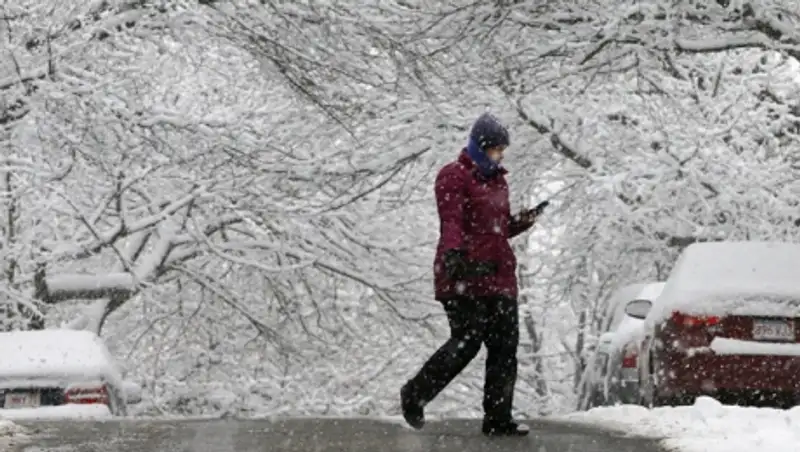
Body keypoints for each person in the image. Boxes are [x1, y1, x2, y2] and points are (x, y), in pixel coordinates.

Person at [400, 112, 541, 437]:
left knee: (505, 346)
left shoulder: (498, 182)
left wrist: (523, 221)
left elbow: (498, 229)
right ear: (480, 147)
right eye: (495, 150)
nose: (500, 156)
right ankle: (415, 394)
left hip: (499, 276)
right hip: (463, 273)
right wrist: (453, 255)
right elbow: (451, 219)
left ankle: (498, 418)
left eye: (502, 150)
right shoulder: (454, 175)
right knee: (467, 340)